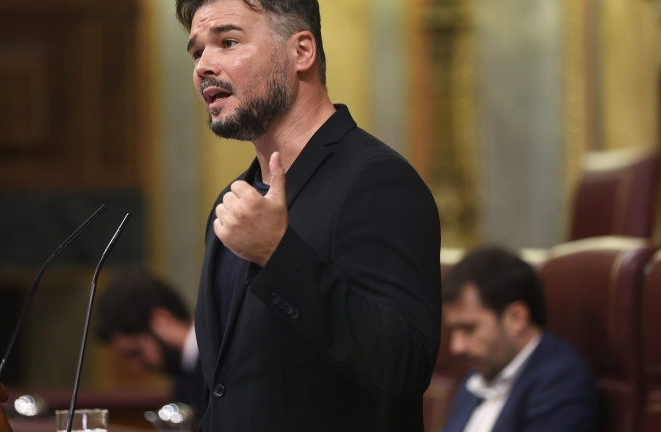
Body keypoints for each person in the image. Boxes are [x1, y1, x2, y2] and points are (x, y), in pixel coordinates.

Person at [174, 1, 442, 431]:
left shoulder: (376, 180)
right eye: (197, 51)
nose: (204, 65)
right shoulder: (232, 203)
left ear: (301, 51)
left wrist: (278, 254)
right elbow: (229, 392)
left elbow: (406, 364)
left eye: (228, 42)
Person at [440, 246, 599, 432]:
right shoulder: (476, 378)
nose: (456, 347)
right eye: (453, 330)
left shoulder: (562, 381)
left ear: (516, 318)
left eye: (469, 328)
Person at [95, 267, 205, 415]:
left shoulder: (219, 361)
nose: (138, 368)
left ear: (161, 318)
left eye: (136, 352)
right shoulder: (185, 374)